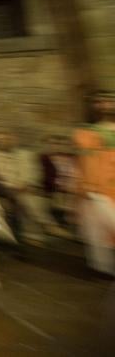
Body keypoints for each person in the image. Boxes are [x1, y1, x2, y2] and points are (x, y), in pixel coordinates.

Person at [75, 92, 115, 277]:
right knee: (100, 228)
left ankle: (103, 266)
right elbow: (86, 161)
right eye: (100, 102)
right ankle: (102, 267)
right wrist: (88, 185)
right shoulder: (87, 132)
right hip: (99, 184)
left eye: (109, 101)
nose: (105, 105)